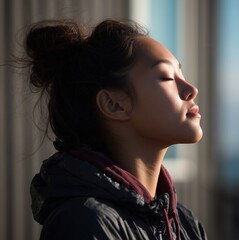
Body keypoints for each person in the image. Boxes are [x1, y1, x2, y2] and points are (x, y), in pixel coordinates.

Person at [24, 19, 206, 240]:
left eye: (181, 74)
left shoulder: (184, 223)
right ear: (114, 104)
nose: (191, 90)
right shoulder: (84, 223)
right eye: (166, 77)